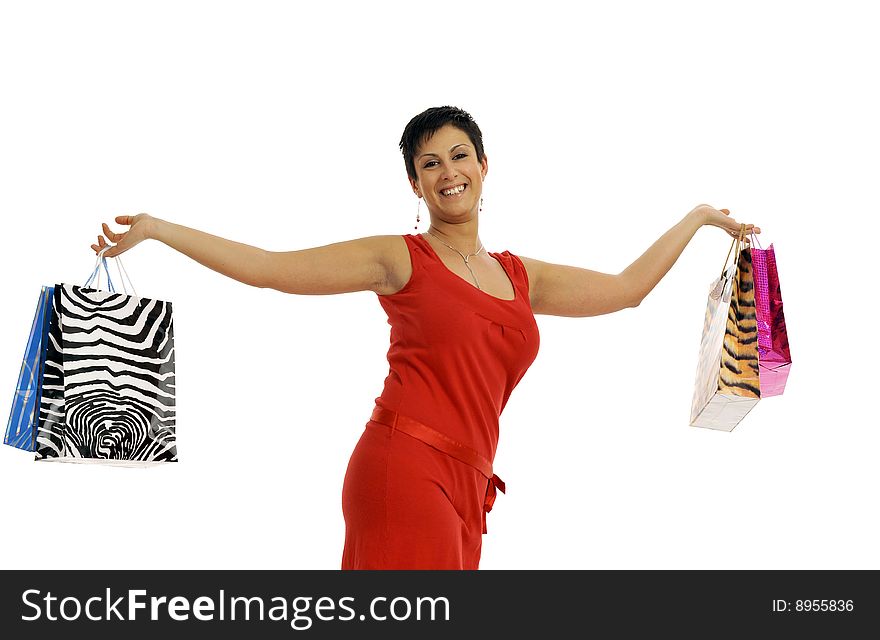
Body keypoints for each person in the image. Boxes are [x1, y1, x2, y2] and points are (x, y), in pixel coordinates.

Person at [90, 105, 760, 570]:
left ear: (485, 165)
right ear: (415, 182)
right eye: (430, 163)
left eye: (459, 156)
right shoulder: (402, 257)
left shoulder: (520, 277)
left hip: (470, 485)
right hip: (404, 468)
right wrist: (158, 229)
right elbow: (272, 270)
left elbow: (626, 288)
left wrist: (698, 219)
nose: (449, 173)